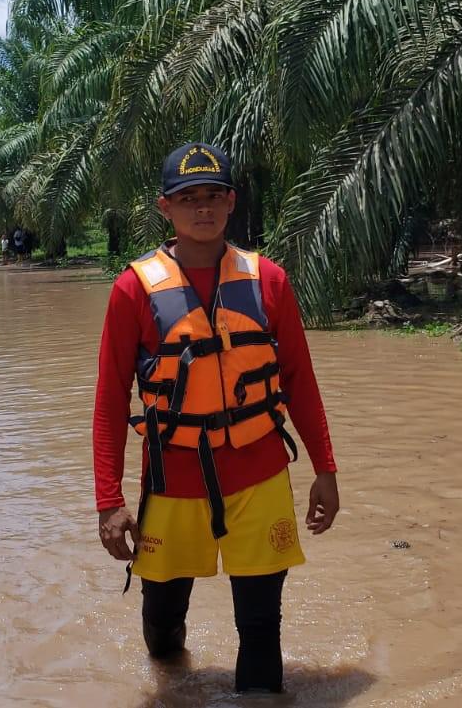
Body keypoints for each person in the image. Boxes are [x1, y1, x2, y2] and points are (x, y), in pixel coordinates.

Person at [93, 142, 339, 695]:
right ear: (165, 208)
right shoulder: (133, 288)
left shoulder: (268, 280)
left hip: (260, 478)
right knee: (162, 630)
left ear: (231, 203)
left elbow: (300, 379)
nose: (202, 208)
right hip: (172, 483)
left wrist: (326, 468)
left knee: (259, 628)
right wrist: (108, 500)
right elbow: (109, 402)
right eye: (188, 198)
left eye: (213, 196)